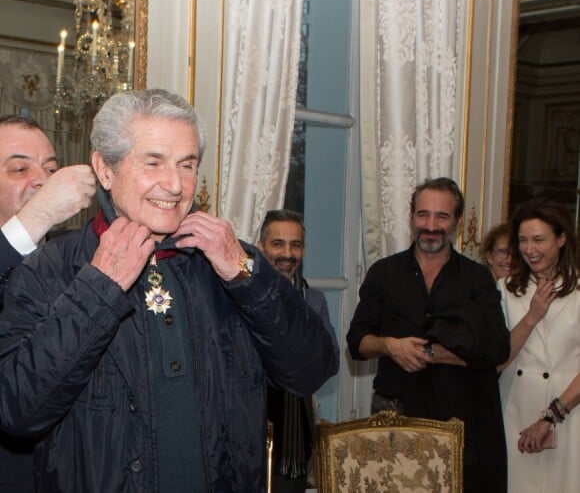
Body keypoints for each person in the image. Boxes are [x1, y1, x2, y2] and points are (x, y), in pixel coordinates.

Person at [0, 89, 338, 493]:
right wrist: (99, 289)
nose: (175, 184)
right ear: (104, 169)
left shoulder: (230, 259)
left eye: (187, 164)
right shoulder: (52, 267)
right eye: (153, 162)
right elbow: (18, 411)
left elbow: (311, 370)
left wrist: (247, 276)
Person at [347, 177, 510, 493]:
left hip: (463, 427)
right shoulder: (383, 272)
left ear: (457, 222)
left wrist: (431, 354)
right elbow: (357, 342)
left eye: (441, 216)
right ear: (411, 217)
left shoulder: (477, 279)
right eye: (423, 215)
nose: (431, 225)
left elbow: (497, 349)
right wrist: (390, 346)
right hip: (396, 420)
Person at [0, 115, 96, 493]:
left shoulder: (75, 257)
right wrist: (36, 217)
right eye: (20, 168)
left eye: (52, 169)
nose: (42, 180)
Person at [497, 198, 579, 493]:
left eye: (539, 239)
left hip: (570, 417)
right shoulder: (505, 291)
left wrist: (550, 417)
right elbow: (496, 360)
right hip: (516, 414)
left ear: (561, 238)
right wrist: (532, 317)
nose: (530, 249)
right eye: (522, 240)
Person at [257, 209, 339, 492]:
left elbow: (331, 362)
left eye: (296, 245)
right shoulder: (243, 295)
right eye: (278, 243)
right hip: (248, 421)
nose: (287, 253)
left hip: (295, 437)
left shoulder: (313, 300)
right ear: (261, 247)